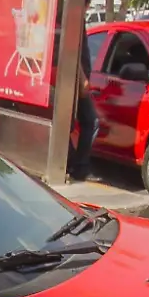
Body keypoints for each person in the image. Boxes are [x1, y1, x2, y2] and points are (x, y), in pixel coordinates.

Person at [68, 14, 101, 181]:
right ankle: (78, 166)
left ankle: (75, 163)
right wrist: (82, 79)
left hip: (74, 81)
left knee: (72, 123)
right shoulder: (74, 17)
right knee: (90, 121)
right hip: (74, 81)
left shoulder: (76, 18)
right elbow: (72, 48)